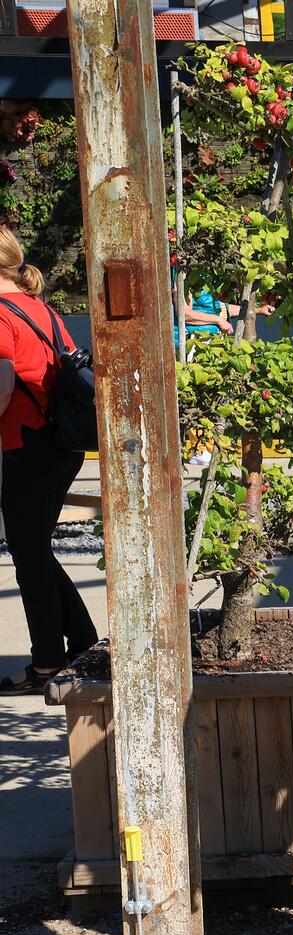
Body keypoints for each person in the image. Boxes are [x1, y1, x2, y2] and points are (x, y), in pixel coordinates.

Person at [0, 226, 97, 694]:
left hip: (25, 446)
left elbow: (2, 386)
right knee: (35, 549)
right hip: (61, 444)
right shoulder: (42, 308)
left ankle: (47, 663)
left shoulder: (1, 314)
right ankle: (81, 641)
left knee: (29, 556)